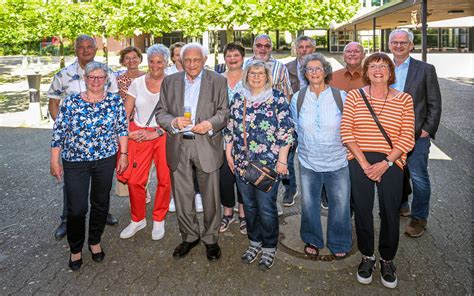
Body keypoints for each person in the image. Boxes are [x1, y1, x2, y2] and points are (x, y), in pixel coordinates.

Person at [340, 53, 415, 288]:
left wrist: (386, 163)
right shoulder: (354, 96)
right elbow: (347, 132)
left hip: (391, 161)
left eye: (383, 66)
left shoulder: (404, 99)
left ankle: (387, 259)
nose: (377, 70)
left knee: (390, 212)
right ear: (366, 71)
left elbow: (407, 137)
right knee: (362, 210)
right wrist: (364, 164)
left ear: (390, 72)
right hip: (360, 159)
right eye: (372, 66)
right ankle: (367, 256)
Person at [50, 61, 128, 271]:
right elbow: (59, 132)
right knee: (77, 209)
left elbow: (122, 128)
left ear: (106, 80)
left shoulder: (114, 101)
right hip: (75, 161)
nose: (96, 81)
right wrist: (54, 159)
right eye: (91, 77)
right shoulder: (70, 102)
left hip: (105, 159)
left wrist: (124, 155)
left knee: (101, 203)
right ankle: (75, 248)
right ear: (84, 79)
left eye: (100, 77)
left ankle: (94, 241)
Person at [156, 43, 229, 261]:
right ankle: (189, 236)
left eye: (196, 60)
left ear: (204, 60)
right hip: (179, 143)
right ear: (180, 61)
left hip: (206, 142)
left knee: (210, 196)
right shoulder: (170, 82)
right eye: (187, 60)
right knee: (182, 194)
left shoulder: (218, 81)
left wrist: (210, 124)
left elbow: (224, 112)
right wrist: (172, 121)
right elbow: (161, 112)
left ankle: (210, 238)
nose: (192, 64)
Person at [224, 60, 294, 270]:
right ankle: (255, 242)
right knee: (249, 206)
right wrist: (228, 154)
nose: (255, 76)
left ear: (267, 76)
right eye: (252, 73)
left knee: (266, 207)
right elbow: (230, 127)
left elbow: (286, 131)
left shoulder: (276, 98)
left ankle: (269, 247)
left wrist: (282, 160)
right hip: (242, 162)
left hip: (268, 164)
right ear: (246, 76)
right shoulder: (238, 97)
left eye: (260, 73)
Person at [47, 35, 119, 241]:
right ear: (75, 49)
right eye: (81, 47)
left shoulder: (107, 73)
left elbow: (115, 103)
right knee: (72, 187)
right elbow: (53, 104)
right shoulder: (63, 74)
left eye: (90, 47)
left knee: (101, 185)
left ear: (96, 49)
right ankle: (67, 220)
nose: (86, 50)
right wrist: (66, 129)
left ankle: (102, 214)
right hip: (74, 146)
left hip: (102, 144)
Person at [289, 53, 351, 259]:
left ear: (325, 71)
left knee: (340, 204)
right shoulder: (297, 98)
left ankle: (339, 241)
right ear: (304, 74)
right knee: (309, 204)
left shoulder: (340, 96)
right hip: (308, 160)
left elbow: (350, 126)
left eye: (318, 69)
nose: (314, 73)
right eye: (309, 69)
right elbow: (295, 127)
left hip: (337, 160)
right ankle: (312, 239)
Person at [388, 29, 442, 237]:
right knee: (394, 172)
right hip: (389, 133)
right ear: (390, 44)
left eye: (403, 42)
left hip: (416, 133)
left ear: (411, 45)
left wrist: (427, 129)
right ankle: (402, 204)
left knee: (418, 176)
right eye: (395, 42)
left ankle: (419, 218)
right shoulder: (382, 67)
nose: (399, 46)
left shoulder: (425, 69)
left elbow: (434, 103)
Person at [119, 44, 172, 241]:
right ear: (147, 62)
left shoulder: (173, 83)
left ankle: (159, 218)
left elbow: (177, 114)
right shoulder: (137, 83)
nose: (155, 65)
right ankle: (138, 218)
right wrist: (127, 133)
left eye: (159, 61)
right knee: (134, 180)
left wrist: (158, 131)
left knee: (165, 180)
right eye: (152, 61)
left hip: (164, 133)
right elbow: (125, 113)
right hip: (140, 133)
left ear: (166, 63)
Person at [282, 35, 316, 207]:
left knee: (317, 154)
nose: (304, 50)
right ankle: (290, 188)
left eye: (307, 46)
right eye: (300, 46)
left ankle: (321, 191)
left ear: (313, 49)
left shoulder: (322, 68)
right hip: (291, 118)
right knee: (287, 158)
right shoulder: (286, 68)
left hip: (315, 117)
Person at [218, 42, 246, 235]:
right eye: (229, 56)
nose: (232, 59)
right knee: (225, 177)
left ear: (242, 57)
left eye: (236, 55)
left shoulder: (251, 77)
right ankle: (227, 212)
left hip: (246, 135)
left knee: (244, 176)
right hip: (221, 135)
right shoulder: (218, 79)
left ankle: (244, 214)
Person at [115, 46, 146, 198]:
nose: (132, 60)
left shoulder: (148, 77)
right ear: (123, 61)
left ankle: (142, 188)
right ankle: (131, 191)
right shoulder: (117, 79)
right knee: (126, 156)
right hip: (126, 123)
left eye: (135, 57)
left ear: (140, 59)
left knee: (144, 160)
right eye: (127, 58)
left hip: (145, 122)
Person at [244, 34, 293, 99]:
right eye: (259, 45)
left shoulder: (280, 68)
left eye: (267, 46)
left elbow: (287, 94)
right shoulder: (245, 65)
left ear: (271, 48)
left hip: (274, 108)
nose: (263, 48)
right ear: (253, 47)